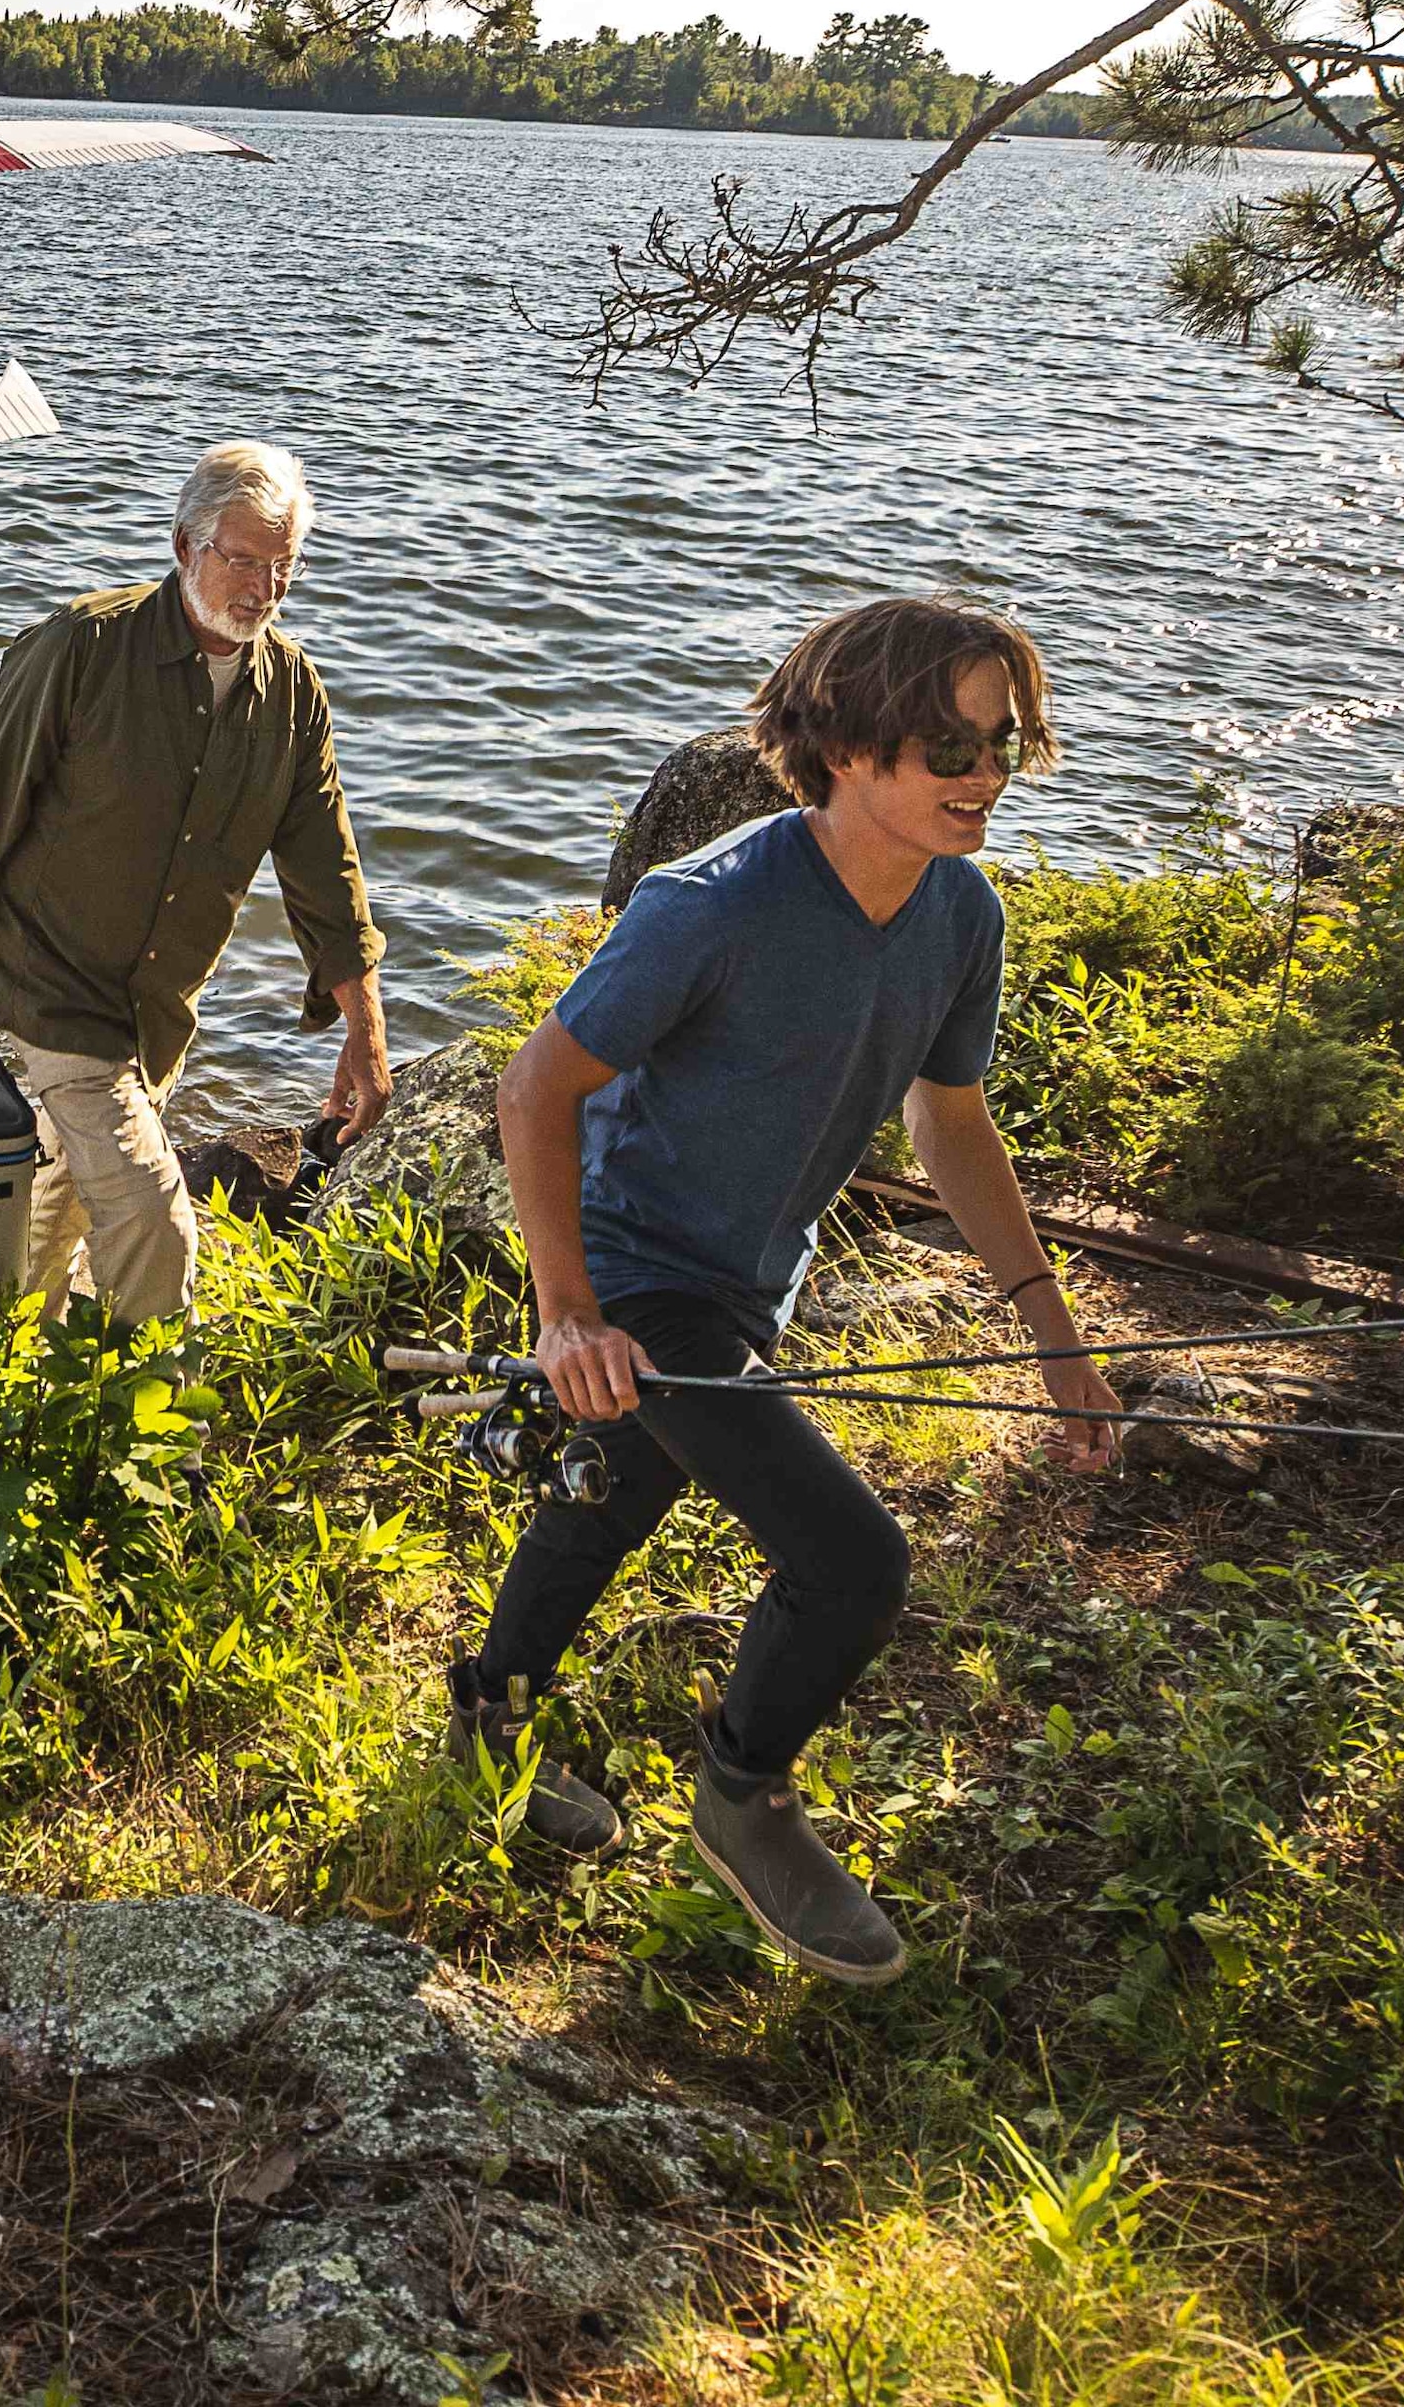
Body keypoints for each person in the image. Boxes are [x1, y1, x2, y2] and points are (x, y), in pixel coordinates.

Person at [453, 596, 1121, 1984]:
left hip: (756, 1280)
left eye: (1008, 741)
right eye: (950, 744)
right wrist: (567, 1312)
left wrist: (1051, 1336)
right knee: (853, 1560)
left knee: (615, 1487)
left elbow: (952, 1124)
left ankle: (482, 1724)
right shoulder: (710, 908)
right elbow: (536, 1086)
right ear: (847, 746)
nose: (986, 773)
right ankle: (743, 1796)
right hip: (646, 1272)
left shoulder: (960, 911)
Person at [0, 441, 390, 1326]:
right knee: (157, 1226)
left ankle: (5, 1391)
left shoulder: (293, 696)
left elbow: (328, 874)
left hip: (156, 1016)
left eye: (283, 564)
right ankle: (158, 1440)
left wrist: (364, 1031)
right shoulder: (82, 647)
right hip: (50, 990)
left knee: (50, 1226)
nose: (263, 586)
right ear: (183, 547)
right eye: (242, 559)